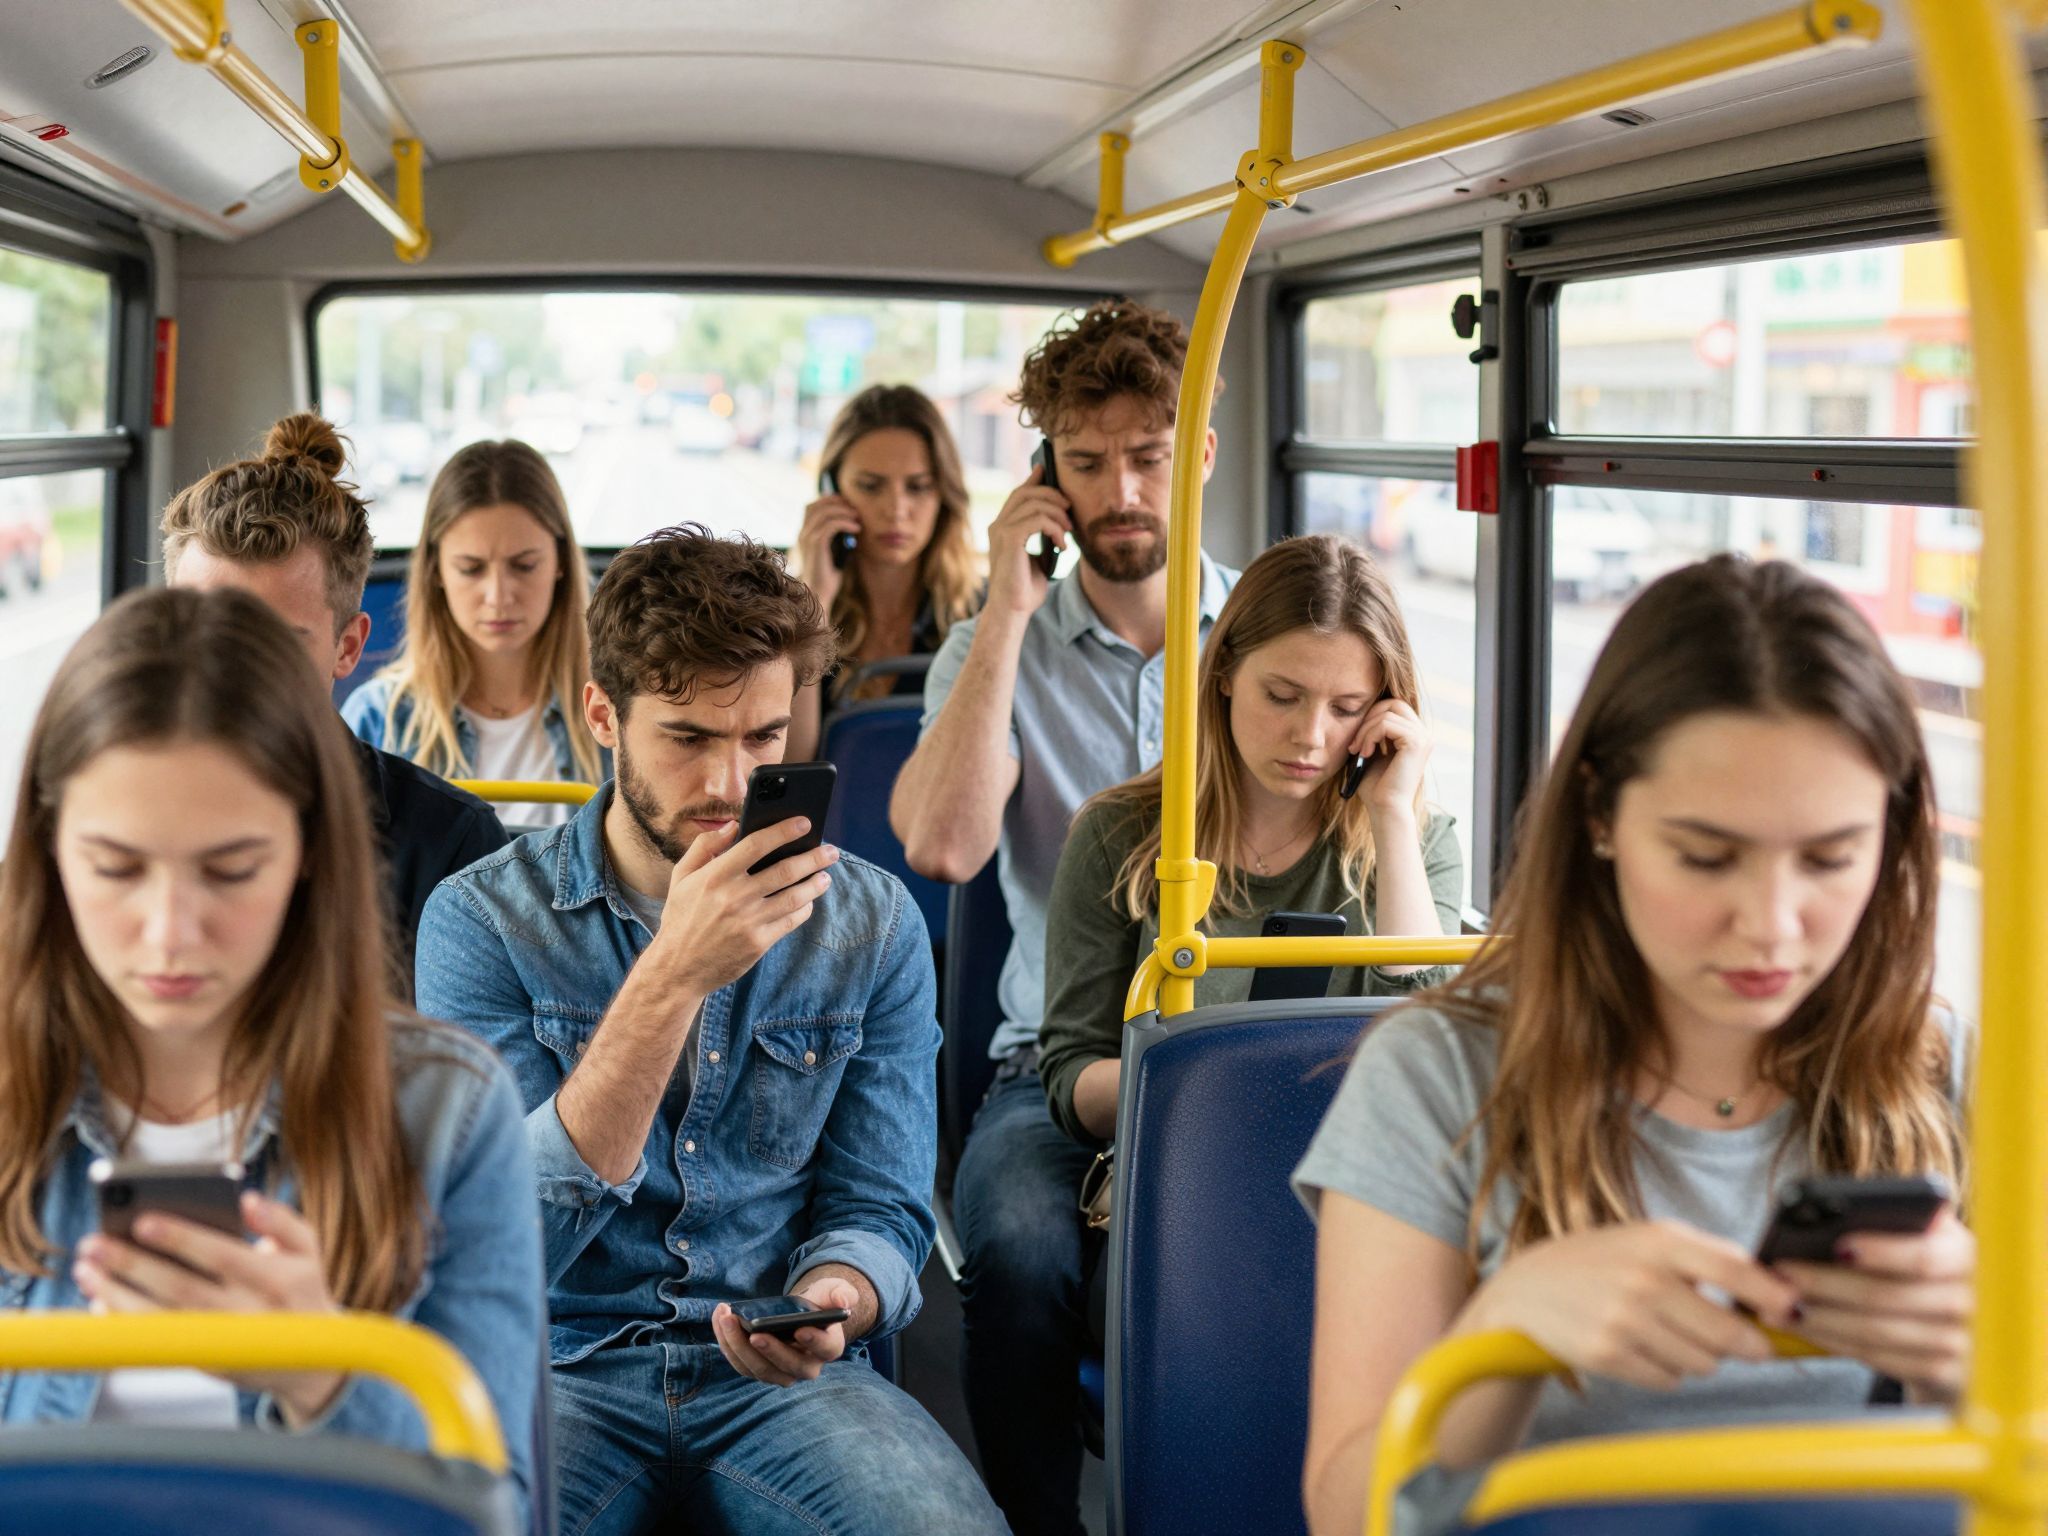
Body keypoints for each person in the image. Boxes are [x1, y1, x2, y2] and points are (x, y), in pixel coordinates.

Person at [1294, 555, 1972, 1536]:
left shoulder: (1941, 1067)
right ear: (1600, 818)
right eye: (1705, 857)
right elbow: (1345, 1513)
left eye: (1830, 858)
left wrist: (1975, 1361)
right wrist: (1504, 1331)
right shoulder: (1435, 1078)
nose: (1771, 925)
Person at [414, 526, 1006, 1536]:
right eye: (688, 738)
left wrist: (836, 1296)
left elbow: (882, 1205)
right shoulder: (482, 919)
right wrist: (673, 975)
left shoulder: (869, 924)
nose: (730, 784)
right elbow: (504, 1240)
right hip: (559, 1366)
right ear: (603, 715)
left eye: (763, 739)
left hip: (783, 1382)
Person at [0, 587, 544, 1523]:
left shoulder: (445, 1111)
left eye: (231, 870)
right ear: (50, 854)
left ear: (308, 852)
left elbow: (497, 1512)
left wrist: (323, 1376)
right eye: (117, 868)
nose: (170, 933)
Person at [889, 295, 1240, 1536]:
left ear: (1198, 455)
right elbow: (941, 845)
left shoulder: (1266, 641)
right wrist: (1004, 611)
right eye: (1086, 463)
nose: (1122, 492)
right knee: (1021, 1249)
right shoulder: (998, 646)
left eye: (1148, 456)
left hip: (1230, 1047)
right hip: (1044, 1059)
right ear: (1045, 473)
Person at [1040, 534, 1464, 1147]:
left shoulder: (1418, 843)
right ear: (1226, 676)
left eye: (1347, 709)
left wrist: (1392, 814)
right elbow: (1071, 1079)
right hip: (1177, 1149)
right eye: (1282, 697)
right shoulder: (1119, 834)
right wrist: (1220, 1082)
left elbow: (1428, 1071)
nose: (1310, 736)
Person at [160, 412, 507, 980]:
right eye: (203, 630)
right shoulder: (103, 815)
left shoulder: (448, 845)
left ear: (347, 647)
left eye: (275, 643)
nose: (230, 671)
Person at [343, 438, 605, 828]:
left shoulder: (617, 713)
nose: (498, 596)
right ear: (436, 570)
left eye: (524, 566)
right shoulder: (377, 720)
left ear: (560, 562)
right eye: (471, 569)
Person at [785, 384, 982, 761]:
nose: (896, 509)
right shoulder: (793, 617)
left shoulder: (981, 613)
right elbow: (793, 766)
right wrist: (815, 602)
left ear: (944, 494)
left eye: (918, 487)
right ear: (831, 489)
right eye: (871, 486)